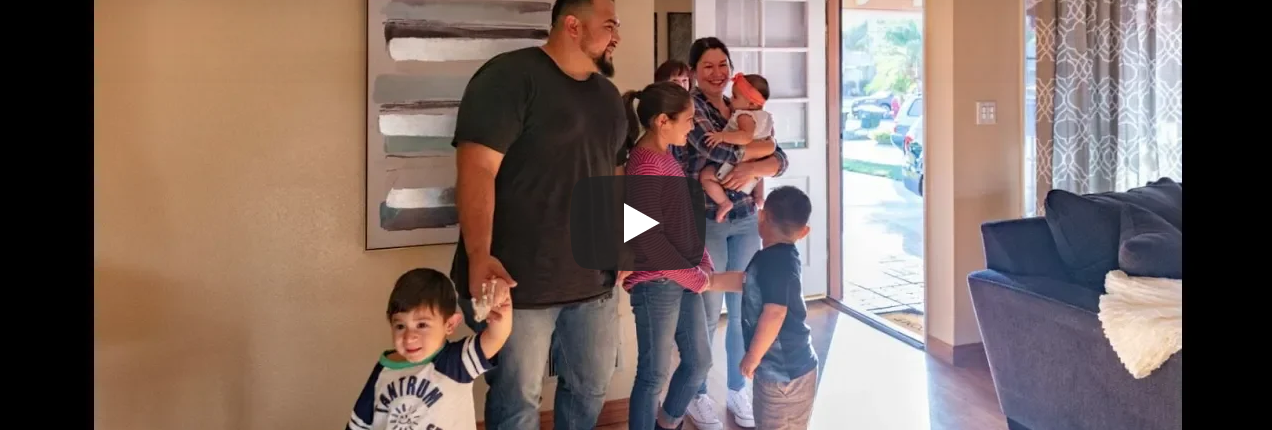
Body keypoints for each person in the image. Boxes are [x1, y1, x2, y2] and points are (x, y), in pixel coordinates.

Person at [448, 0, 627, 428]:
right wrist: (478, 257)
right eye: (609, 25)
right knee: (516, 402)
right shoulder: (509, 77)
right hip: (516, 284)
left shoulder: (608, 96)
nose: (617, 36)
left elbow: (613, 174)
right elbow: (476, 169)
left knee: (590, 389)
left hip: (594, 283)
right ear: (572, 26)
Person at [672, 36, 790, 430]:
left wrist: (764, 161)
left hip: (744, 218)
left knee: (746, 308)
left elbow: (783, 159)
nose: (717, 73)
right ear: (692, 71)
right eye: (707, 65)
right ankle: (698, 393)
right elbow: (719, 153)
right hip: (706, 219)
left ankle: (740, 387)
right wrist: (765, 155)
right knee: (707, 311)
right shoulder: (693, 107)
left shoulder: (741, 105)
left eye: (723, 64)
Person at [620, 81, 729, 430]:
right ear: (661, 121)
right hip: (657, 282)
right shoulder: (645, 164)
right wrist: (695, 276)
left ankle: (666, 425)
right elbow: (647, 238)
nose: (693, 126)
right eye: (688, 119)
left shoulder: (665, 156)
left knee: (698, 361)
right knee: (653, 376)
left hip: (680, 274)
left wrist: (701, 260)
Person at [344, 268, 513, 430]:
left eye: (422, 325)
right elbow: (360, 424)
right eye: (400, 326)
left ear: (450, 324)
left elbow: (497, 337)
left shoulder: (457, 361)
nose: (409, 337)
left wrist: (502, 301)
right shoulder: (384, 369)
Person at [710, 186, 819, 430]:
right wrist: (711, 281)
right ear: (804, 232)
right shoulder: (775, 257)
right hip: (782, 370)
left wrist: (752, 356)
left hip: (785, 375)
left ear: (761, 217)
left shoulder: (777, 261)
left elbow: (775, 313)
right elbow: (748, 279)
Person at [700, 73, 774, 222]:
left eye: (735, 97)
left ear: (752, 104)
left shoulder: (744, 115)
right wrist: (769, 147)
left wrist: (722, 136)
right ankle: (759, 197)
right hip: (757, 163)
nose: (731, 100)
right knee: (758, 174)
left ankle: (724, 203)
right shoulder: (766, 116)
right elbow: (771, 142)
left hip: (736, 164)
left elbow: (745, 137)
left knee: (706, 176)